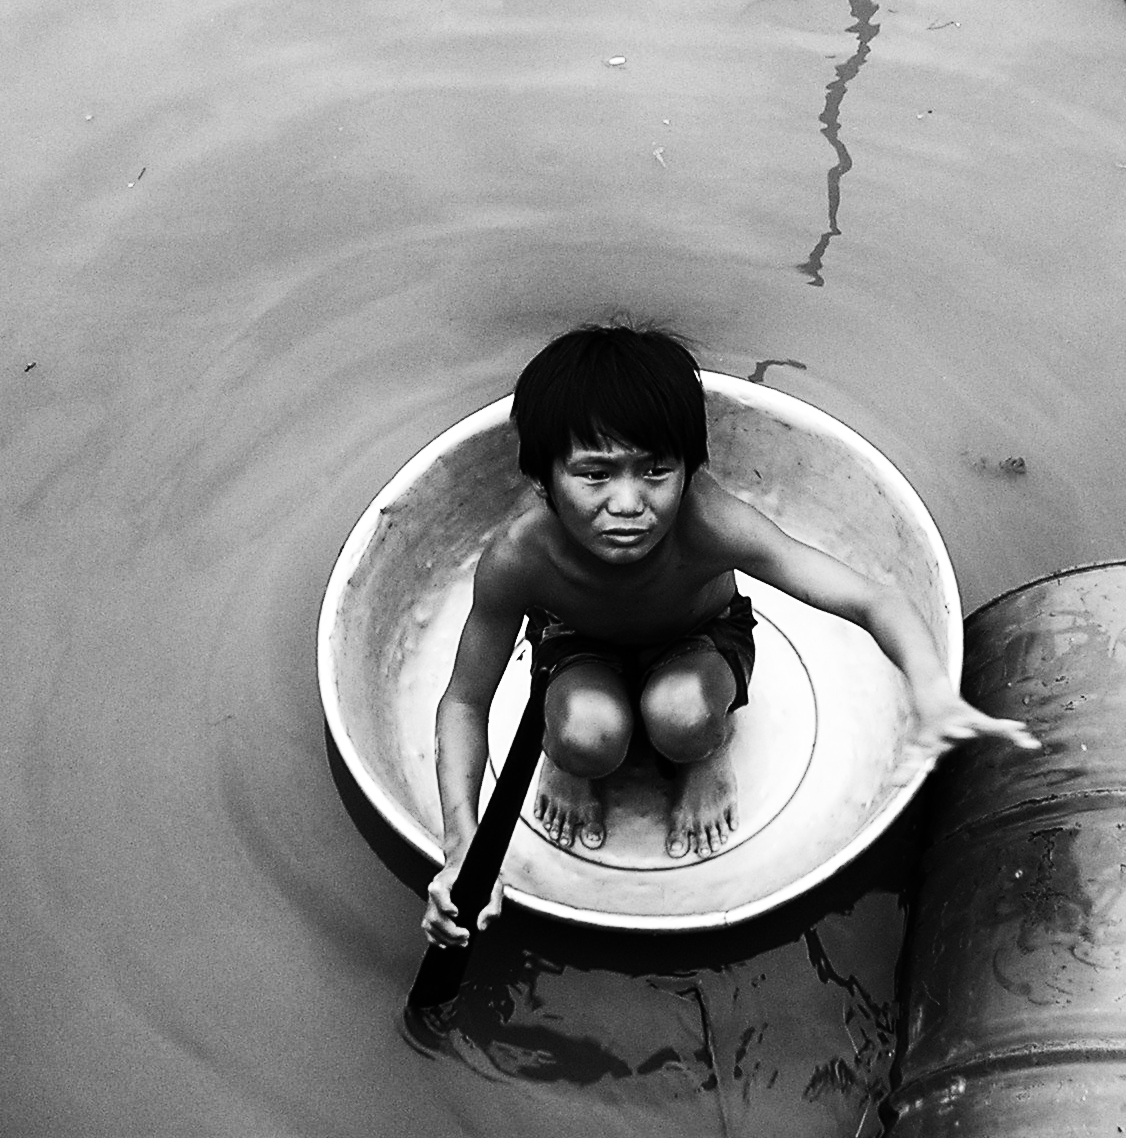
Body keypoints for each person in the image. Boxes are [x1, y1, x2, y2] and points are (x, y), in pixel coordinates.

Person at [421, 324, 1037, 947]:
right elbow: (466, 701)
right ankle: (572, 763)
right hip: (578, 645)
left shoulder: (708, 524)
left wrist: (932, 690)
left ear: (691, 470)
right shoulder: (520, 557)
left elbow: (870, 597)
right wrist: (463, 846)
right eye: (595, 474)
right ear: (543, 482)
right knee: (586, 733)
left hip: (699, 640)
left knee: (681, 716)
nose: (630, 503)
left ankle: (706, 754)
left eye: (656, 470)